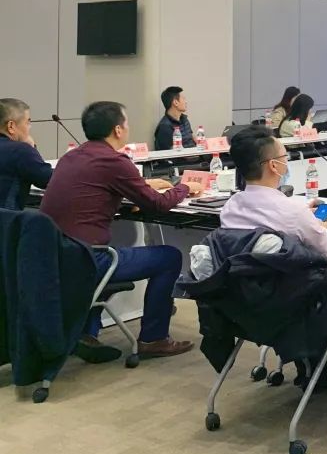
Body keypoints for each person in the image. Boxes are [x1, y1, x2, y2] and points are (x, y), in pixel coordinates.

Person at [40, 101, 204, 361]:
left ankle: (86, 333)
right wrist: (184, 187)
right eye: (126, 123)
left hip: (56, 255)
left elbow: (95, 191)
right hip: (89, 259)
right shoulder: (115, 161)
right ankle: (153, 338)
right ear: (118, 130)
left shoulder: (71, 157)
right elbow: (158, 205)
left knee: (106, 254)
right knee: (169, 257)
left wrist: (138, 189)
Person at [220, 126, 327, 266]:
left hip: (239, 278)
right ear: (273, 165)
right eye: (285, 157)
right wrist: (319, 227)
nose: (286, 162)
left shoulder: (230, 208)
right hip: (292, 279)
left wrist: (305, 216)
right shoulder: (294, 212)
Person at [0, 98, 53, 210]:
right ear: (11, 126)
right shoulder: (20, 151)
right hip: (7, 219)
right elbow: (49, 180)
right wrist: (31, 147)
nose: (30, 127)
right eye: (28, 122)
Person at [153, 86, 196, 151]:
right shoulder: (165, 127)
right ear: (175, 102)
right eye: (183, 99)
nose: (186, 102)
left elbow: (192, 137)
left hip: (195, 153)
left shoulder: (184, 119)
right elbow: (169, 154)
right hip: (185, 157)